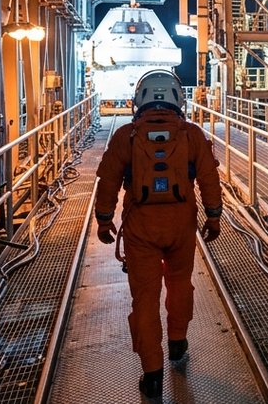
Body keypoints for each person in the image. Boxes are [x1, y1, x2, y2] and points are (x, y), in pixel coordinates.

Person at [94, 69, 224, 399]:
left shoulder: (126, 136)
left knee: (145, 299)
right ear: (179, 98)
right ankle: (177, 344)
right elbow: (209, 179)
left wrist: (104, 219)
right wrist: (214, 217)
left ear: (139, 99)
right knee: (180, 283)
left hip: (141, 229)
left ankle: (152, 374)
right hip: (181, 225)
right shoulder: (192, 135)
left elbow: (108, 180)